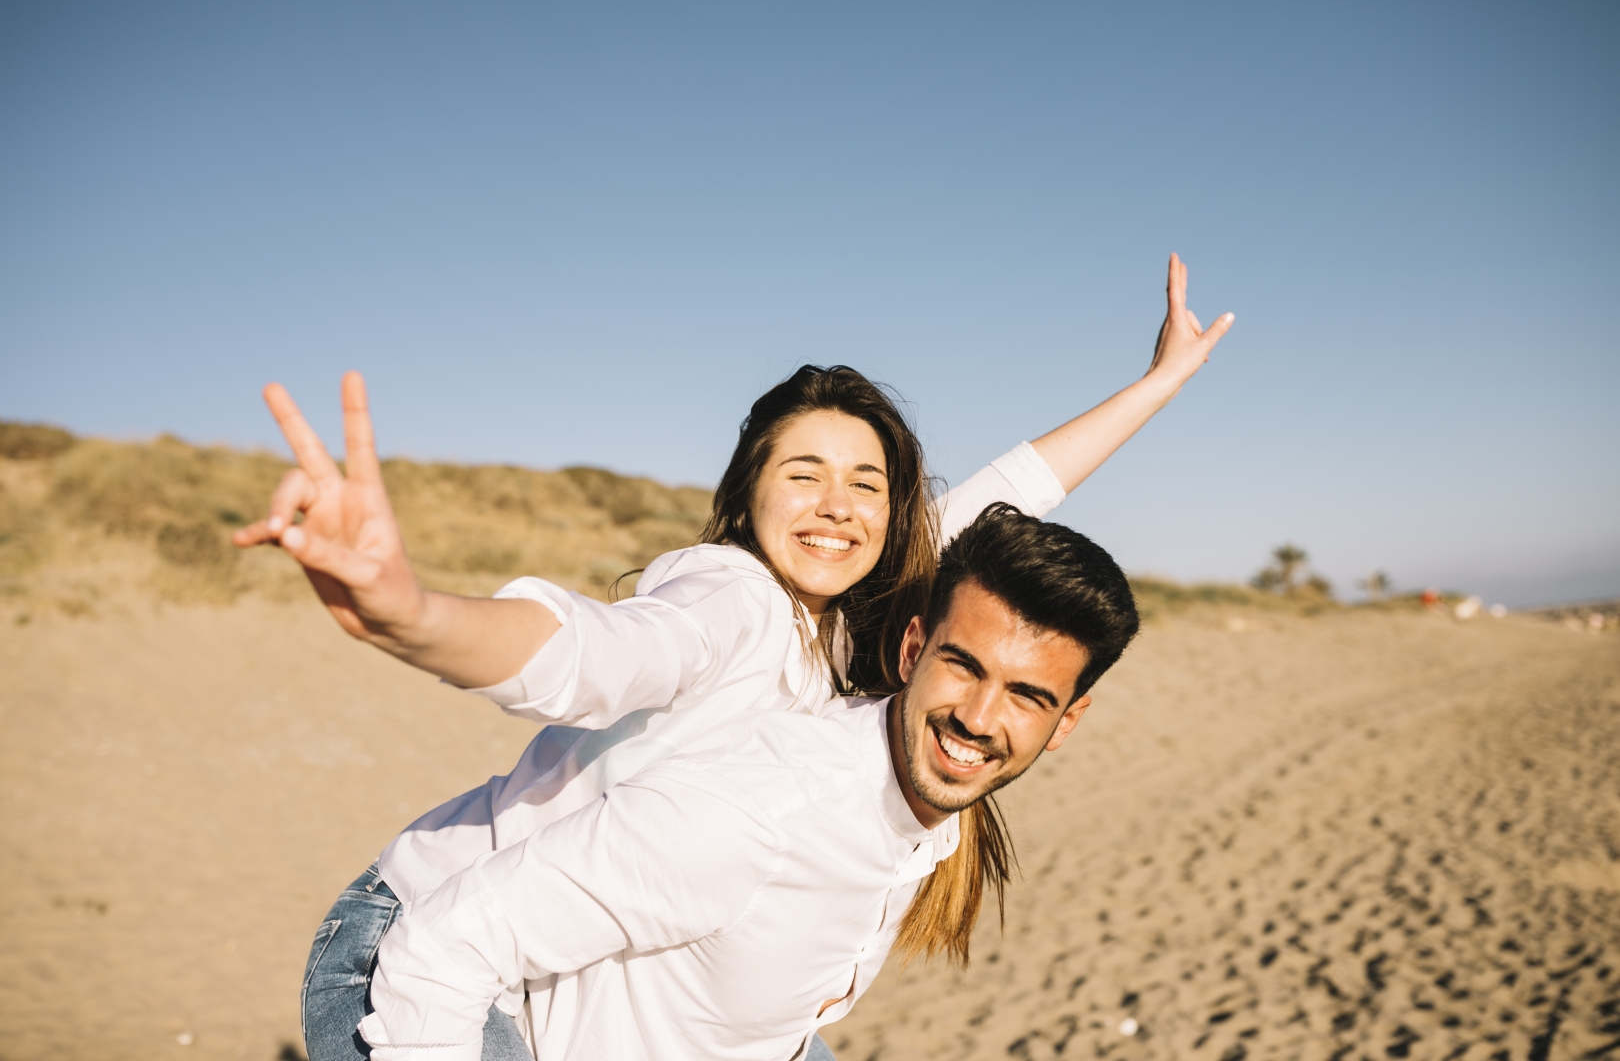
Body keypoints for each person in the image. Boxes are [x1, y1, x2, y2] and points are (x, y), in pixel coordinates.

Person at [235, 255, 1231, 1059]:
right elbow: (588, 652)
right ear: (749, 494)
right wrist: (409, 613)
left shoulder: (862, 618)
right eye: (803, 474)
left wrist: (1159, 384)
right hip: (432, 931)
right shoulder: (726, 603)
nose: (836, 504)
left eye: (865, 485)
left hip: (588, 951)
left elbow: (1015, 491)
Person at [342, 505, 1139, 1061]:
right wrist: (412, 614)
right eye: (963, 666)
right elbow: (444, 949)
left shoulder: (936, 821)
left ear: (1065, 722)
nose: (977, 717)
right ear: (912, 651)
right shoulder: (756, 810)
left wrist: (1157, 386)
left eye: (1028, 697)